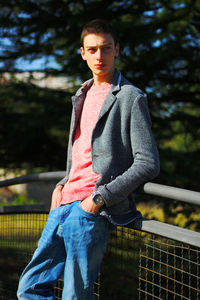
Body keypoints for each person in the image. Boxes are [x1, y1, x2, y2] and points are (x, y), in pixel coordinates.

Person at [17, 19, 160, 300]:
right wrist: (62, 183)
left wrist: (98, 199)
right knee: (29, 289)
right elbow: (82, 151)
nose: (99, 56)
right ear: (82, 52)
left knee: (75, 296)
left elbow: (148, 162)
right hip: (62, 205)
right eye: (92, 50)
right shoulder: (81, 94)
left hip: (90, 211)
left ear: (117, 49)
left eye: (106, 48)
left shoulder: (131, 97)